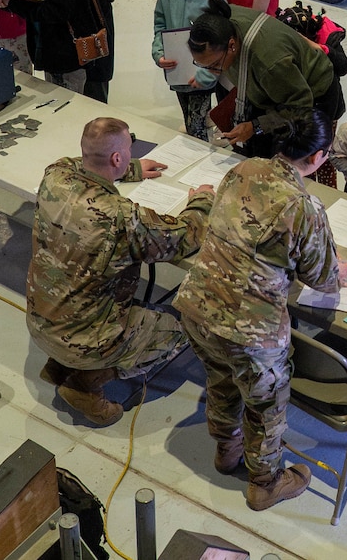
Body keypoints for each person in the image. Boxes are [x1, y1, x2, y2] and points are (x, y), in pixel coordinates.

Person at [175, 109, 347, 511]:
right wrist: (332, 263)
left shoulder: (244, 169)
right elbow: (322, 279)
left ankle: (226, 450)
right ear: (319, 156)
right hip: (251, 334)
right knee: (266, 406)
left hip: (197, 310)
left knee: (220, 379)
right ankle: (265, 482)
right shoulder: (304, 208)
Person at [28, 116, 211, 427]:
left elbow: (78, 162)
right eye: (128, 149)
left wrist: (132, 168)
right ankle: (87, 383)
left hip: (40, 321)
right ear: (116, 157)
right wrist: (203, 200)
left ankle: (61, 365)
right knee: (190, 322)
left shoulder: (53, 177)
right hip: (87, 341)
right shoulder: (122, 218)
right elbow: (185, 237)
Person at [186, 0, 343, 148]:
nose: (213, 71)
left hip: (315, 95)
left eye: (215, 64)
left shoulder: (269, 63)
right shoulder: (222, 20)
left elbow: (300, 106)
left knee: (305, 158)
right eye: (202, 65)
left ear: (232, 45)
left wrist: (256, 126)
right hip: (281, 89)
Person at [154, 0, 227, 140]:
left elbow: (221, 44)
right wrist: (159, 53)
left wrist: (207, 75)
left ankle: (201, 163)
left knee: (196, 128)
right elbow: (160, 25)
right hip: (177, 72)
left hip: (201, 76)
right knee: (189, 121)